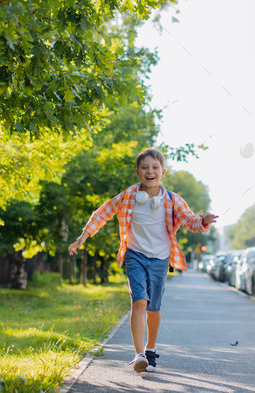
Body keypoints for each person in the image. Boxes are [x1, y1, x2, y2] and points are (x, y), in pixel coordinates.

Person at [68, 147, 218, 373]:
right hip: (134, 255)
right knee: (139, 301)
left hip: (159, 260)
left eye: (155, 168)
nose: (150, 171)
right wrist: (82, 237)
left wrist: (204, 220)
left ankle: (150, 349)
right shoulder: (129, 195)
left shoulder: (172, 200)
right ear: (138, 172)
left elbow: (191, 221)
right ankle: (139, 355)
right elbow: (102, 212)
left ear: (163, 172)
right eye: (145, 168)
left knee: (153, 308)